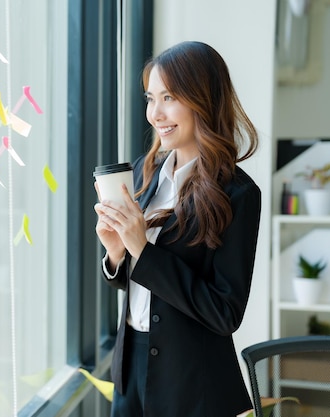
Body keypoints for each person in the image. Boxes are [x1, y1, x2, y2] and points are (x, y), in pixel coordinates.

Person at [93, 41, 261, 417]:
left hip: (190, 381)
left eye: (168, 97)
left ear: (203, 99)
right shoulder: (143, 172)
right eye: (151, 98)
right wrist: (116, 253)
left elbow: (224, 312)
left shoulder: (237, 193)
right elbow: (141, 289)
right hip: (131, 368)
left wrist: (144, 250)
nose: (155, 113)